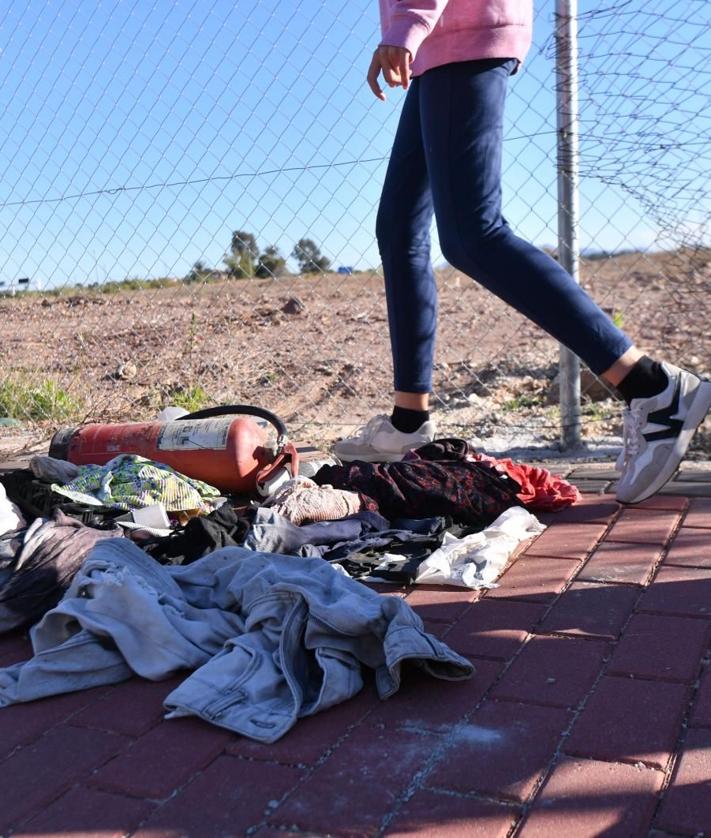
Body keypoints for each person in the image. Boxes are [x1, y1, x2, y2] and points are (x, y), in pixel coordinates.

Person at [333, 0, 711, 504]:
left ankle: (651, 386)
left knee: (473, 234)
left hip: (461, 31)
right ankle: (408, 422)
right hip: (439, 45)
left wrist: (408, 22)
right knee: (399, 230)